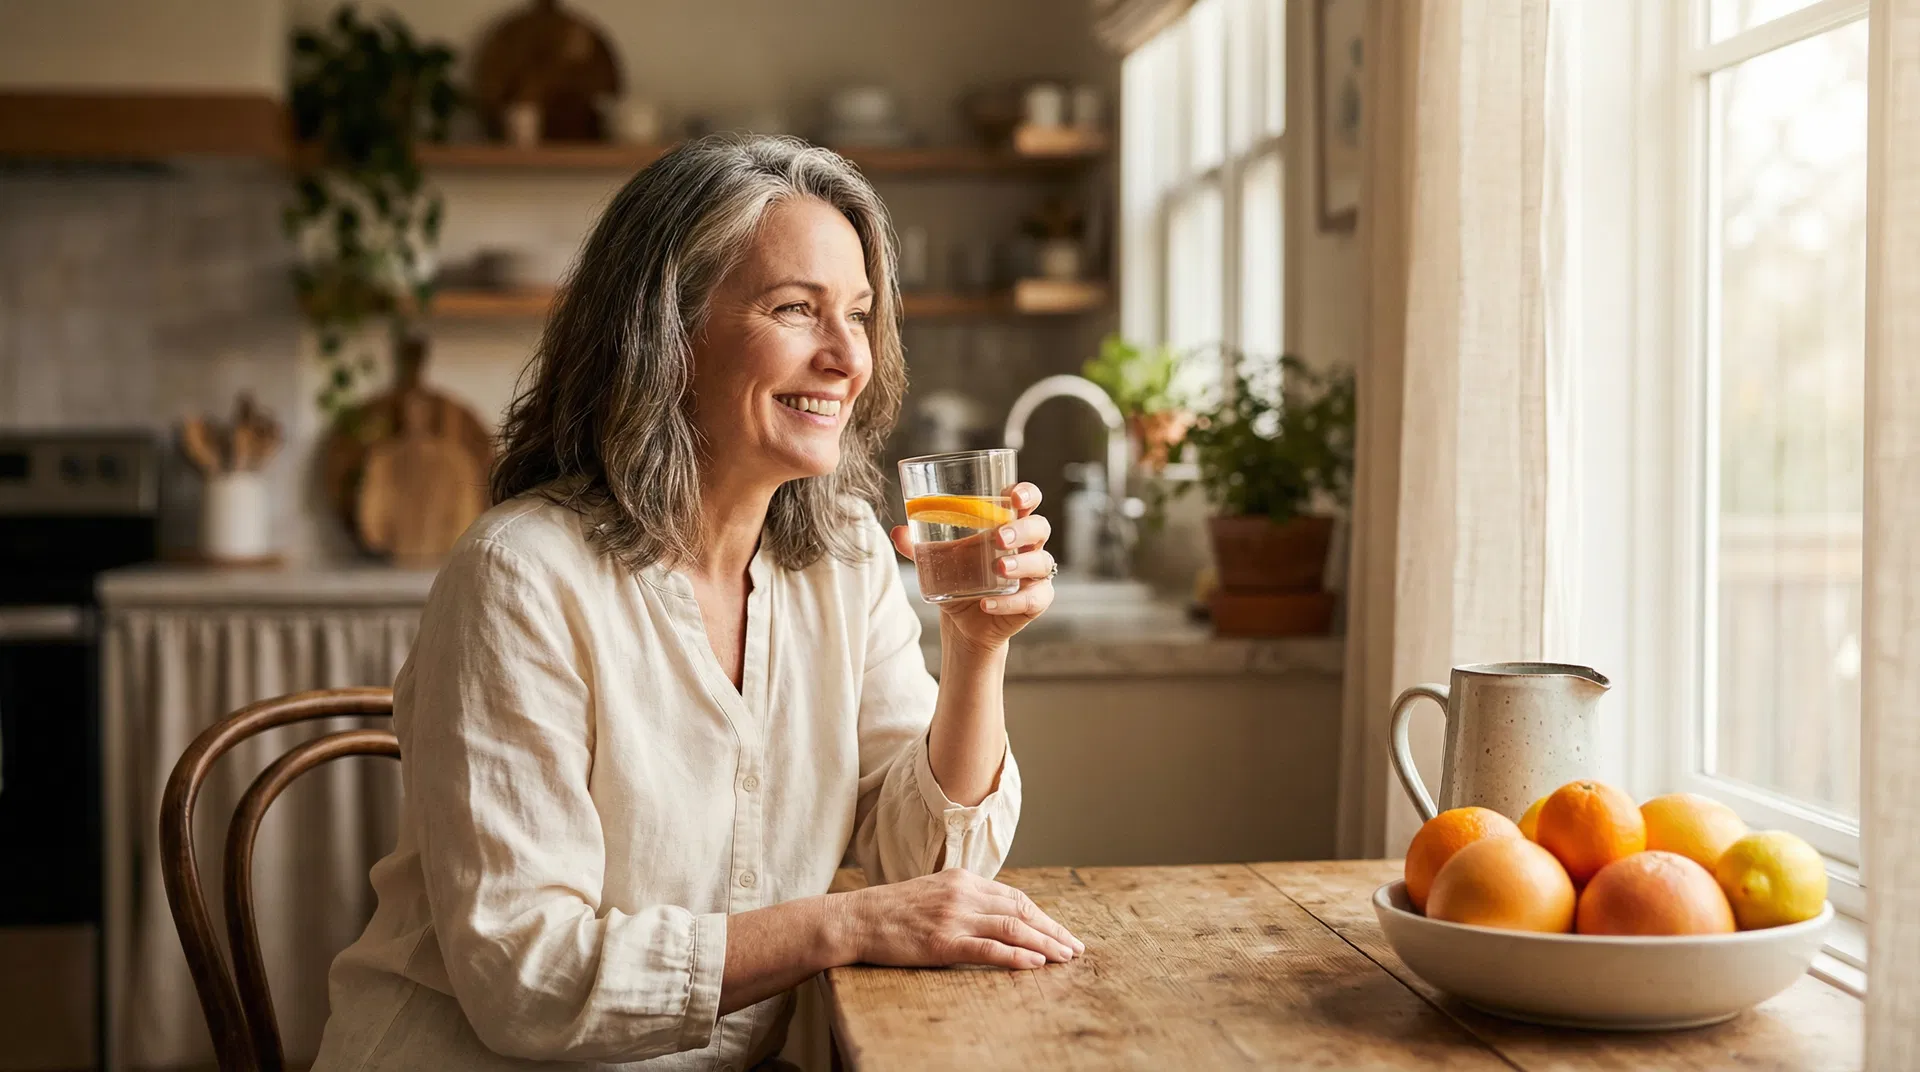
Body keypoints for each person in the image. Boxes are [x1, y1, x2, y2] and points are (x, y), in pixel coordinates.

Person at [313, 134, 1081, 1071]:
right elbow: (527, 978)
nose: (847, 358)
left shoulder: (843, 558)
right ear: (663, 335)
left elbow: (926, 883)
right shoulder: (518, 576)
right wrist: (838, 925)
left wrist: (976, 647)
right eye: (796, 309)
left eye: (860, 314)